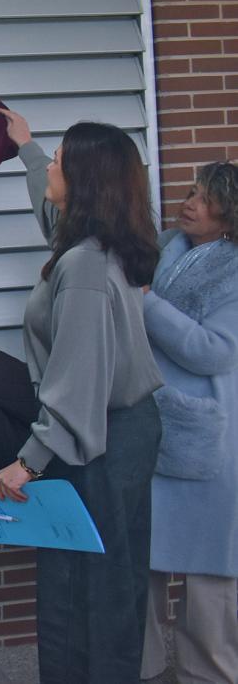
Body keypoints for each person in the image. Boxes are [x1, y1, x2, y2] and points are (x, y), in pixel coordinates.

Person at [0, 111, 162, 683]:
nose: (52, 167)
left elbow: (77, 383)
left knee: (91, 589)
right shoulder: (93, 245)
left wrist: (27, 463)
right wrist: (26, 148)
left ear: (84, 181)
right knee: (104, 580)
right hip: (117, 431)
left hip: (100, 438)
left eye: (60, 160)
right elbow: (52, 215)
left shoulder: (85, 265)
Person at [139, 162, 238, 683]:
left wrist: (148, 303)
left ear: (229, 213)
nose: (189, 202)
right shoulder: (163, 247)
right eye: (192, 191)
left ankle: (209, 675)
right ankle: (146, 670)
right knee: (143, 563)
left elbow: (214, 351)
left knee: (209, 573)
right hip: (152, 425)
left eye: (204, 196)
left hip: (207, 435)